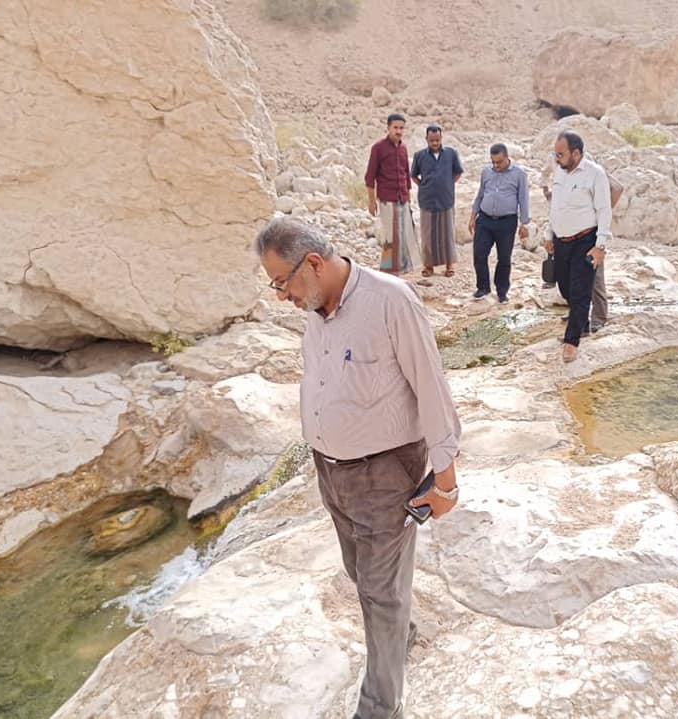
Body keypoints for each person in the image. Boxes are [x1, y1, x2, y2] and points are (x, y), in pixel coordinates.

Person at [255, 217, 461, 719]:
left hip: (385, 473)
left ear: (313, 263)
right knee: (359, 573)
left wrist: (446, 482)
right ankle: (401, 635)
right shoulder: (316, 309)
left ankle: (380, 705)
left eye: (282, 282)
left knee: (379, 591)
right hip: (332, 473)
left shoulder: (391, 301)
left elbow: (432, 389)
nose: (280, 296)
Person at [543, 131, 612, 363]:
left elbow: (604, 210)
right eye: (555, 154)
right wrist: (549, 234)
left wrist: (600, 246)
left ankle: (572, 342)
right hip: (561, 241)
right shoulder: (559, 172)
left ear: (576, 153)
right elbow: (555, 207)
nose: (557, 159)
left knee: (581, 291)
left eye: (560, 154)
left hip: (585, 240)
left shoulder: (595, 174)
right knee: (565, 288)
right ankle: (581, 325)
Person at [543, 173, 624, 333]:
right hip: (566, 234)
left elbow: (617, 188)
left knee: (595, 277)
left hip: (589, 233)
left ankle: (599, 317)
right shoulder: (565, 174)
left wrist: (603, 213)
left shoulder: (593, 171)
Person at [468, 143, 530, 303]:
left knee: (504, 258)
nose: (496, 165)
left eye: (499, 162)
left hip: (507, 222)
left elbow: (523, 200)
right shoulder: (486, 172)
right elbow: (480, 194)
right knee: (479, 254)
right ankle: (483, 287)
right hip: (485, 219)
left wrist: (524, 224)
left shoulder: (519, 175)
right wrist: (473, 216)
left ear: (507, 157)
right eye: (493, 162)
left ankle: (502, 291)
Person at [365, 113, 419, 275]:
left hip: (403, 198)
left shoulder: (403, 148)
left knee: (404, 235)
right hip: (387, 199)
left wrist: (408, 196)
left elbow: (406, 173)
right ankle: (387, 271)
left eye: (401, 128)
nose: (398, 131)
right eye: (395, 127)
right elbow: (370, 176)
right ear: (388, 128)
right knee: (390, 237)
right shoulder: (378, 148)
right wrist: (371, 201)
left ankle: (402, 270)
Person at [411, 124, 464, 278]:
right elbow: (413, 175)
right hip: (427, 200)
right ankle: (428, 266)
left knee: (447, 233)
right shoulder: (419, 156)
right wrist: (424, 186)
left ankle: (449, 265)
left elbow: (458, 172)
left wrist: (448, 184)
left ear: (441, 138)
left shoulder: (451, 154)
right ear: (426, 139)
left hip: (446, 199)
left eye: (437, 140)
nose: (435, 143)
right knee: (428, 235)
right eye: (431, 140)